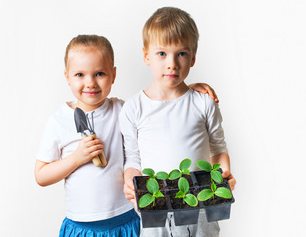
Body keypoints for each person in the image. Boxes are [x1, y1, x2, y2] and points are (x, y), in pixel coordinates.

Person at [34, 34, 217, 237]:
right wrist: (76, 158)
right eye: (80, 75)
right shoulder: (59, 121)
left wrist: (186, 91)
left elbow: (157, 104)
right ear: (67, 76)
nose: (90, 83)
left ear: (113, 75)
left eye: (100, 73)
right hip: (81, 225)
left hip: (126, 220)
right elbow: (41, 175)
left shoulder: (123, 109)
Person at [120, 7, 236, 237]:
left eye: (181, 53)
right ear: (146, 56)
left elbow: (218, 147)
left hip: (200, 207)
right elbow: (132, 157)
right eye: (162, 53)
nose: (172, 63)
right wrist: (130, 182)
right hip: (155, 209)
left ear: (193, 57)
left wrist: (223, 177)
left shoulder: (204, 103)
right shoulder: (134, 107)